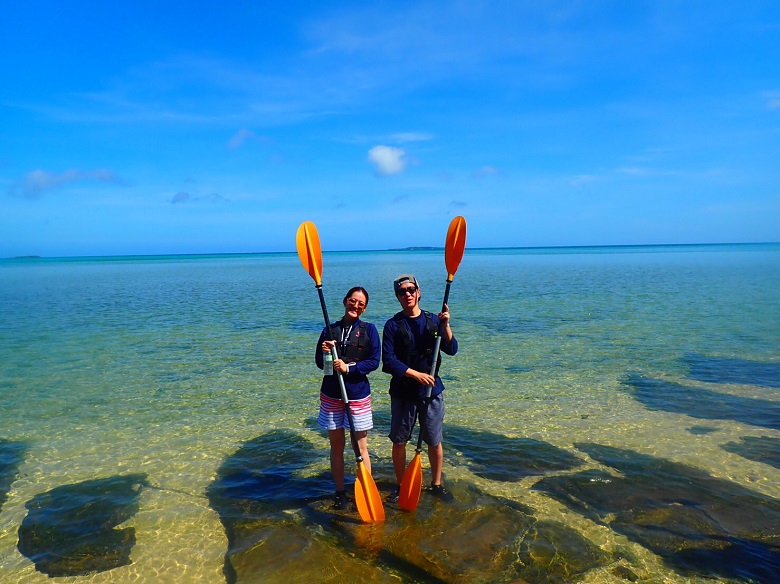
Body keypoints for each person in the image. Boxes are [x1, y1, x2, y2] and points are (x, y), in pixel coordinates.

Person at [382, 274, 458, 501]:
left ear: (418, 291)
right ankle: (401, 484)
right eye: (402, 291)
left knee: (434, 440)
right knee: (399, 441)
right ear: (397, 296)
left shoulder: (434, 320)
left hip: (431, 391)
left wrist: (446, 326)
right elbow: (388, 360)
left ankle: (436, 484)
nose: (407, 294)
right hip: (404, 392)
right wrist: (416, 375)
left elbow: (452, 348)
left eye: (411, 289)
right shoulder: (393, 325)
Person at [315, 286, 381, 510]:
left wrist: (349, 367)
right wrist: (325, 352)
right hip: (332, 394)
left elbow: (374, 362)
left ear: (364, 308)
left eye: (361, 304)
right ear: (345, 301)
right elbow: (320, 365)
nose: (356, 306)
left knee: (360, 447)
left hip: (357, 395)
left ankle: (364, 488)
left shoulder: (370, 330)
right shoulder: (329, 330)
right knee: (336, 447)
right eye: (353, 301)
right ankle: (340, 492)